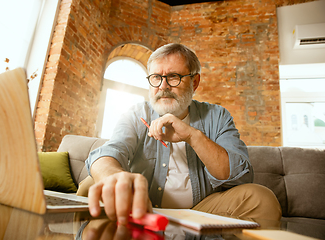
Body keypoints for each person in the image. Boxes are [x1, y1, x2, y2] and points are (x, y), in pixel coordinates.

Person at [78, 43, 281, 225]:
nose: (163, 86)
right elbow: (111, 151)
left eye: (173, 77)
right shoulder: (136, 114)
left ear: (194, 82)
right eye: (156, 78)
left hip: (203, 209)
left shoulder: (217, 116)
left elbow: (241, 176)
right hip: (142, 207)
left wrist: (193, 136)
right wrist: (114, 176)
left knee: (261, 199)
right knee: (90, 186)